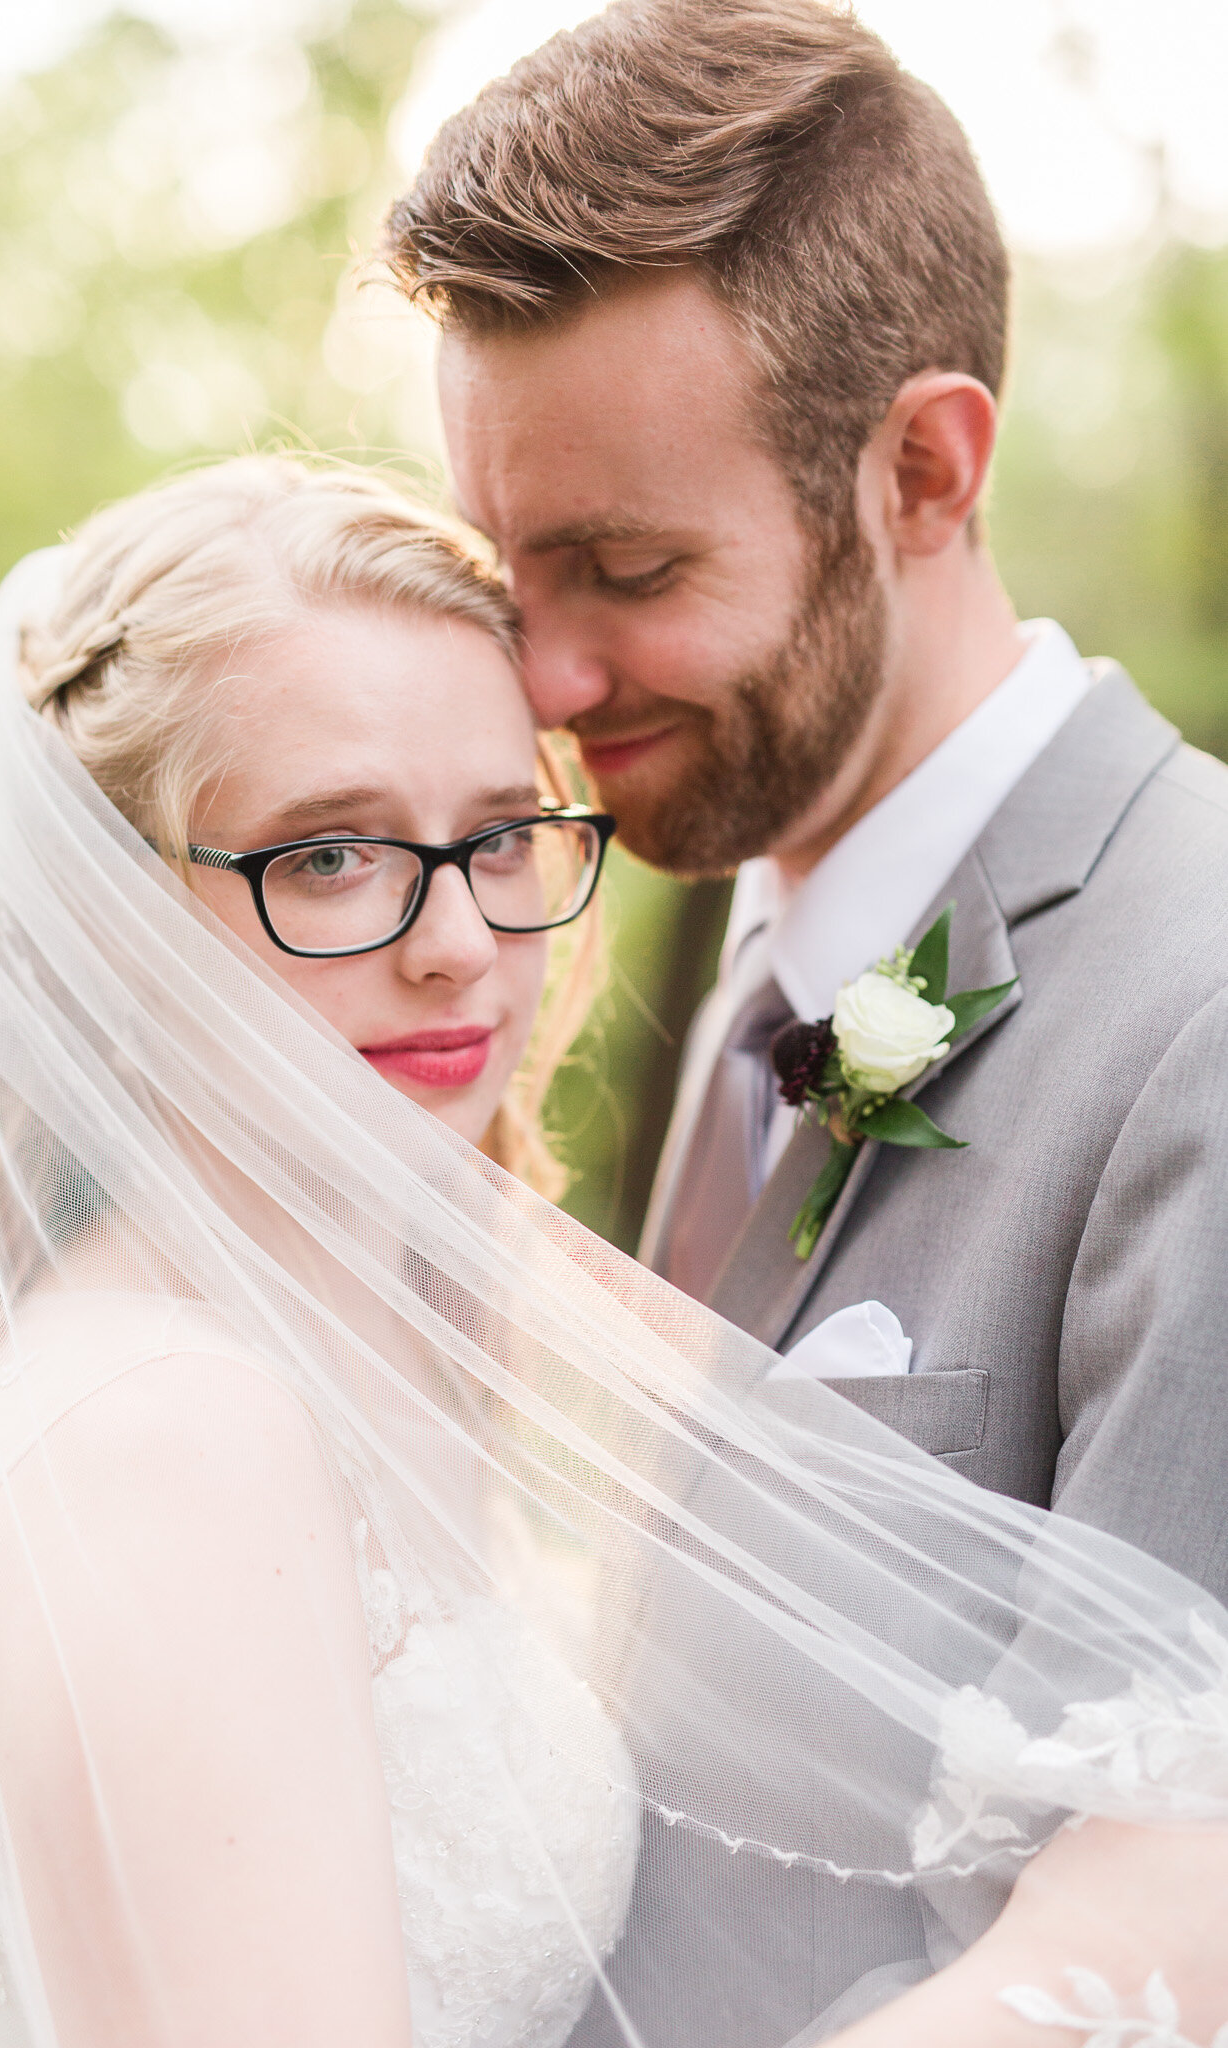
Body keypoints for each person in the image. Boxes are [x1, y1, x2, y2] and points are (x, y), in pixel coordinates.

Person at [0, 453, 1228, 2048]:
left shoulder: (376, 1334)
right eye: (328, 855)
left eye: (500, 837)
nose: (457, 945)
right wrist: (1057, 1991)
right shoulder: (158, 1443)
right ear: (116, 917)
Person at [382, 0, 1228, 2035]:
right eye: (511, 577)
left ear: (920, 469)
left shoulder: (1195, 997)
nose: (555, 682)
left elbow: (1174, 1896)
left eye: (630, 566)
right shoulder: (780, 953)